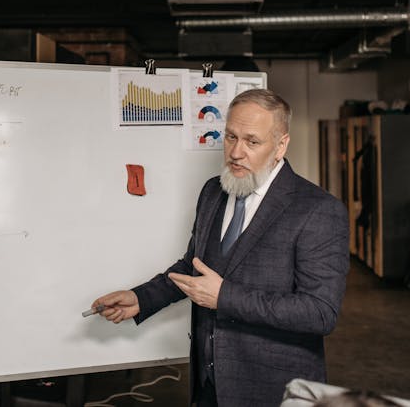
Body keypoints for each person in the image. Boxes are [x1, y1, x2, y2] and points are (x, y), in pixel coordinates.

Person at [92, 88, 350, 407]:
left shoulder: (318, 210)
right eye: (230, 137)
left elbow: (319, 313)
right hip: (208, 384)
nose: (236, 153)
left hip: (272, 390)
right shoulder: (213, 191)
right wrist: (140, 298)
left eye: (252, 141)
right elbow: (193, 266)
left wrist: (224, 297)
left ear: (281, 145)